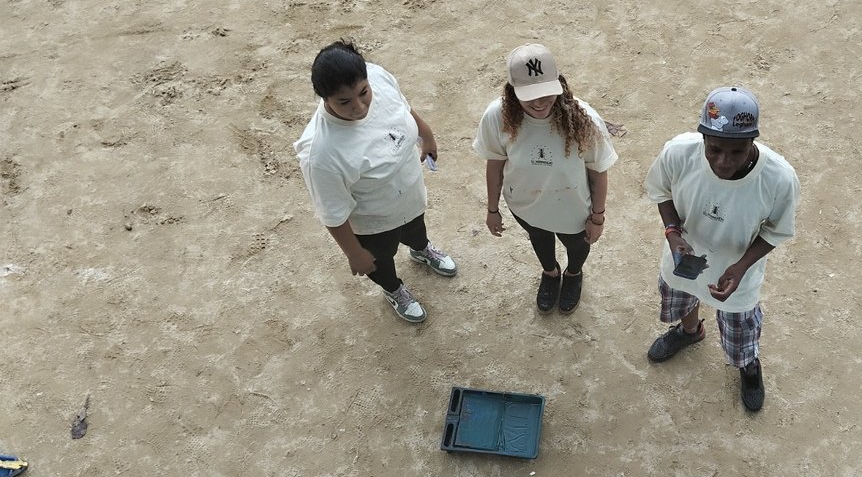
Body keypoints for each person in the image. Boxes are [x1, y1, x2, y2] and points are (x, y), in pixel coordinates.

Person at [644, 86, 799, 411]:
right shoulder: (678, 153)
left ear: (753, 142)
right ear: (702, 137)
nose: (723, 162)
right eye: (714, 149)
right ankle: (690, 332)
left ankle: (748, 365)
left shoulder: (778, 179)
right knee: (683, 297)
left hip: (738, 275)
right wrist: (673, 233)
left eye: (737, 151)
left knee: (740, 326)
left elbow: (777, 230)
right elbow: (660, 191)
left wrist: (742, 266)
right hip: (682, 260)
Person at [294, 40, 457, 323]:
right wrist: (355, 253)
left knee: (416, 228)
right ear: (324, 98)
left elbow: (403, 107)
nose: (359, 107)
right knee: (379, 260)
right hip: (373, 222)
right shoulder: (321, 153)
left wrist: (426, 134)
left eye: (363, 93)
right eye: (344, 102)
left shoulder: (377, 76)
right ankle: (393, 288)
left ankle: (421, 250)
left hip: (409, 194)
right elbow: (332, 213)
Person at [473, 43, 617, 314]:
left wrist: (597, 217)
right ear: (511, 90)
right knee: (538, 237)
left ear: (559, 83)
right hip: (525, 204)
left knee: (577, 246)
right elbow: (495, 161)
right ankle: (550, 274)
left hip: (572, 209)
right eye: (529, 96)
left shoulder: (586, 120)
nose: (539, 103)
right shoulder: (497, 116)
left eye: (546, 93)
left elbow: (598, 171)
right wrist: (492, 209)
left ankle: (574, 275)